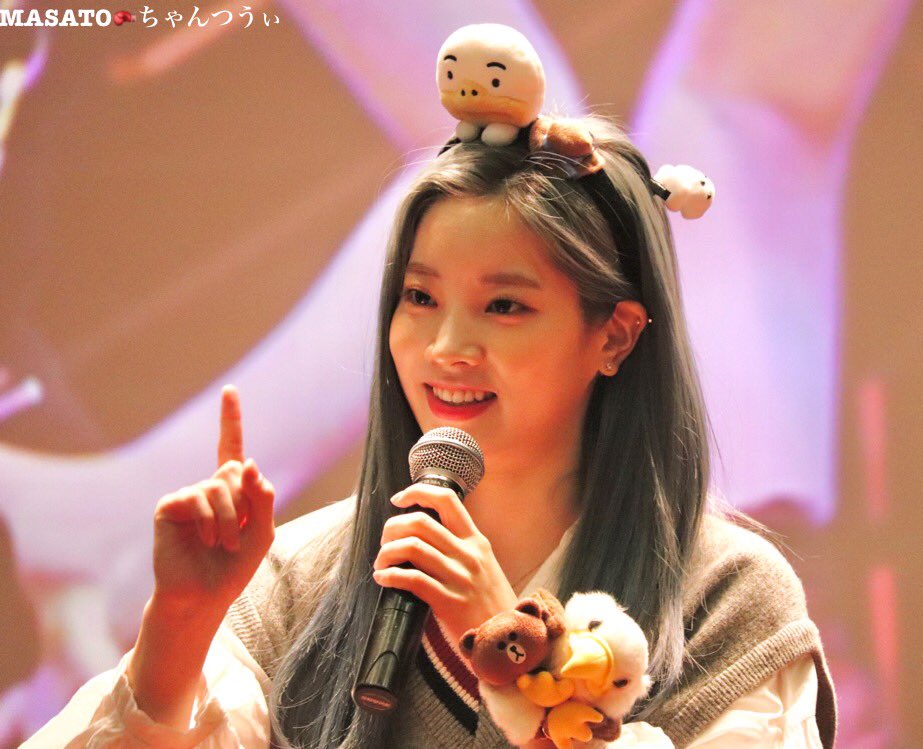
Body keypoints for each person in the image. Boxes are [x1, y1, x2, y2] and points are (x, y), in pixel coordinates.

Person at [23, 114, 836, 748]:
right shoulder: (300, 576)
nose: (446, 347)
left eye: (504, 305)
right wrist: (179, 623)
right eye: (419, 298)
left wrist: (515, 653)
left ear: (615, 336)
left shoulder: (727, 596)